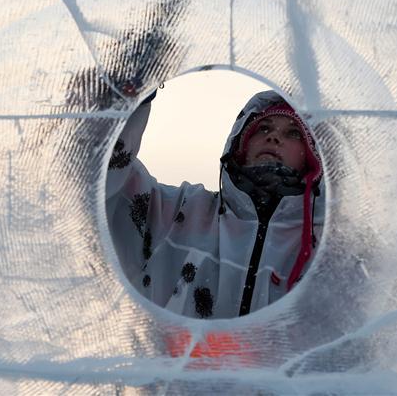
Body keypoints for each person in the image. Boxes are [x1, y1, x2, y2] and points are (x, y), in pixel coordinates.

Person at [106, 90, 324, 319]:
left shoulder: (327, 245)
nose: (274, 137)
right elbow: (105, 185)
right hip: (168, 354)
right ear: (241, 144)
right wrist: (128, 102)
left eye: (293, 133)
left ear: (311, 156)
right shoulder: (183, 211)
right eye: (264, 128)